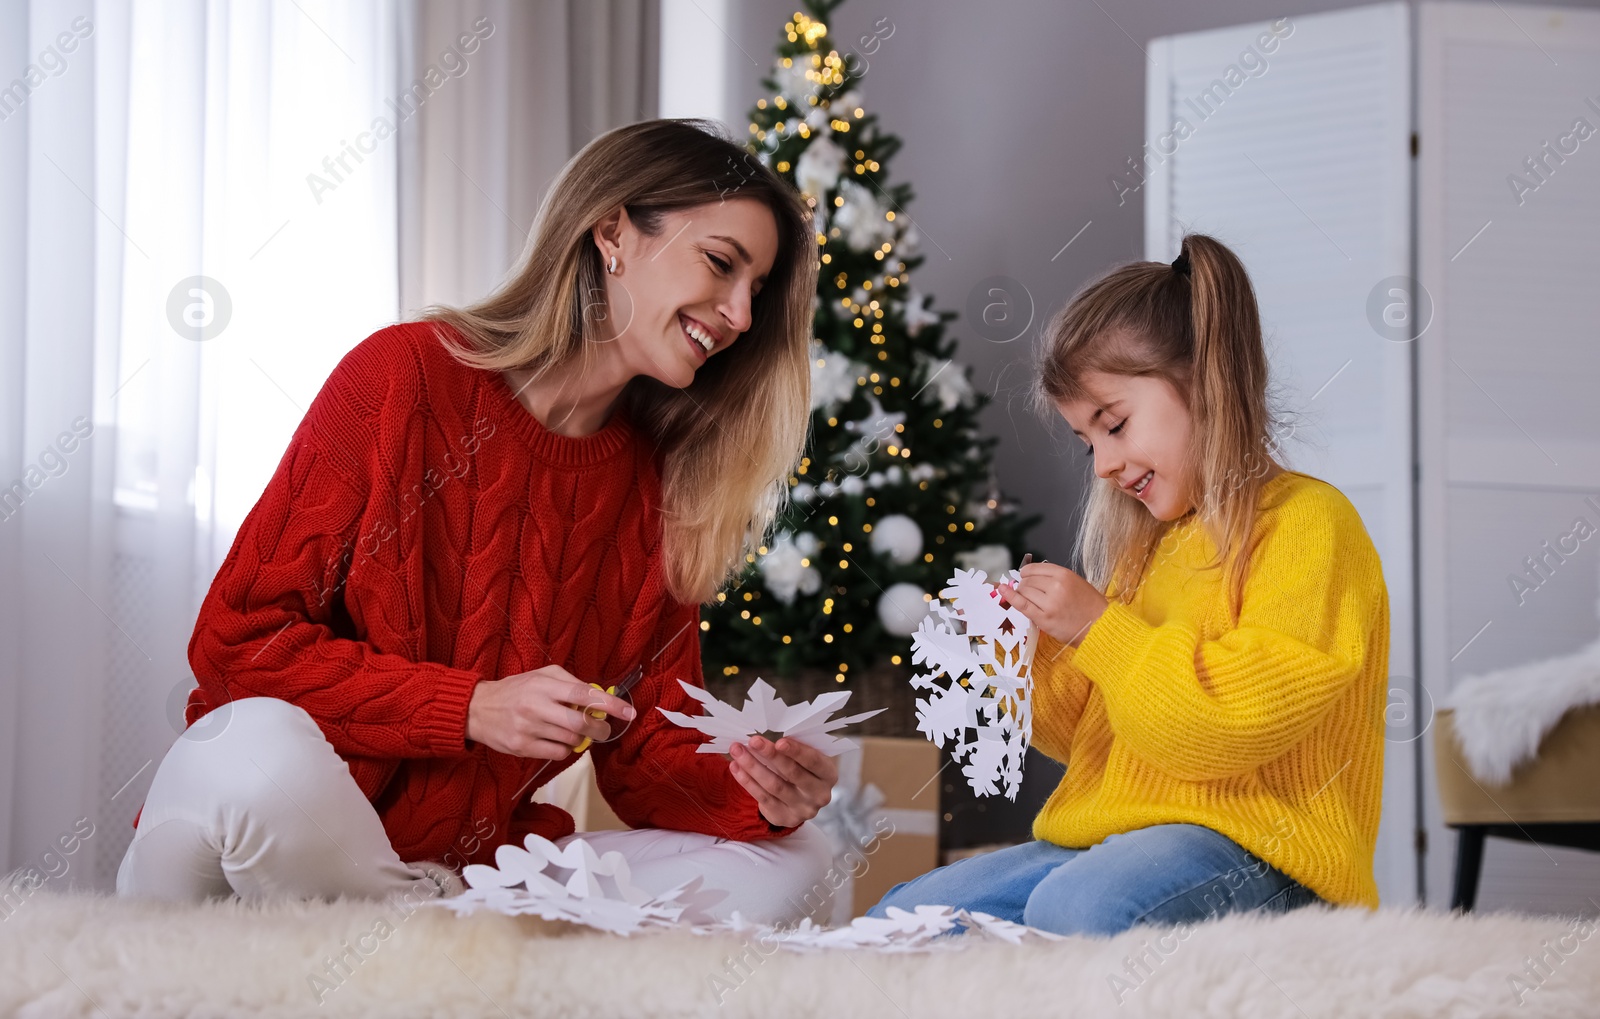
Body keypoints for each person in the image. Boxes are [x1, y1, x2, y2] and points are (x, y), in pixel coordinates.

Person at [116, 119, 837, 925]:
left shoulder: (660, 487)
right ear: (613, 234)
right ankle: (433, 944)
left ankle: (409, 942)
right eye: (721, 263)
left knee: (801, 857)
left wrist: (761, 793)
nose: (739, 313)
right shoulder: (404, 377)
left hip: (461, 872)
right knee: (252, 751)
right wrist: (470, 706)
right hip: (245, 841)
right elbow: (236, 643)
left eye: (758, 290)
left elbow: (643, 762)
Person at [867, 234, 1391, 937]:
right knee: (902, 917)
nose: (1105, 464)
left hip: (1268, 855)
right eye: (1089, 442)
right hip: (1109, 840)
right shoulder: (1149, 550)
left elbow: (1222, 729)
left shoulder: (1308, 525)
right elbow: (1093, 735)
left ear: (1207, 380)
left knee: (1081, 908)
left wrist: (1097, 628)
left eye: (1113, 424)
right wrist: (1031, 650)